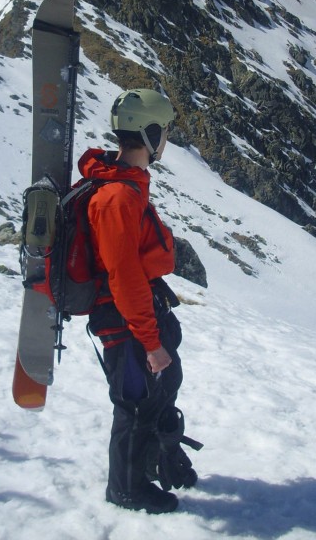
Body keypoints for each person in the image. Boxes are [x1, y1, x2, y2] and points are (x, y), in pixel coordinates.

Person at [78, 88, 198, 514]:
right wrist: (150, 342)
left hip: (137, 313)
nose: (165, 138)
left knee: (159, 389)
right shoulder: (117, 198)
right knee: (134, 403)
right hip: (125, 322)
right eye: (163, 130)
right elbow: (124, 276)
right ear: (148, 133)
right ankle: (126, 488)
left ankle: (158, 458)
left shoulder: (126, 186)